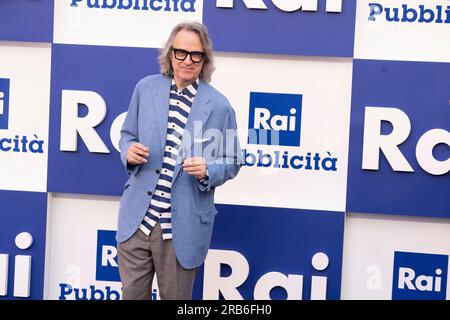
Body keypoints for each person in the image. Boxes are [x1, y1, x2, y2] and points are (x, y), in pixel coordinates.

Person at [116, 21, 243, 300]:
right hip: (137, 220)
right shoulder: (145, 88)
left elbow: (233, 159)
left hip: (181, 229)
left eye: (195, 55)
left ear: (204, 59)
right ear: (170, 53)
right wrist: (129, 150)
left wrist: (209, 169)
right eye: (180, 52)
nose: (187, 60)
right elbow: (126, 135)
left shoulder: (219, 106)